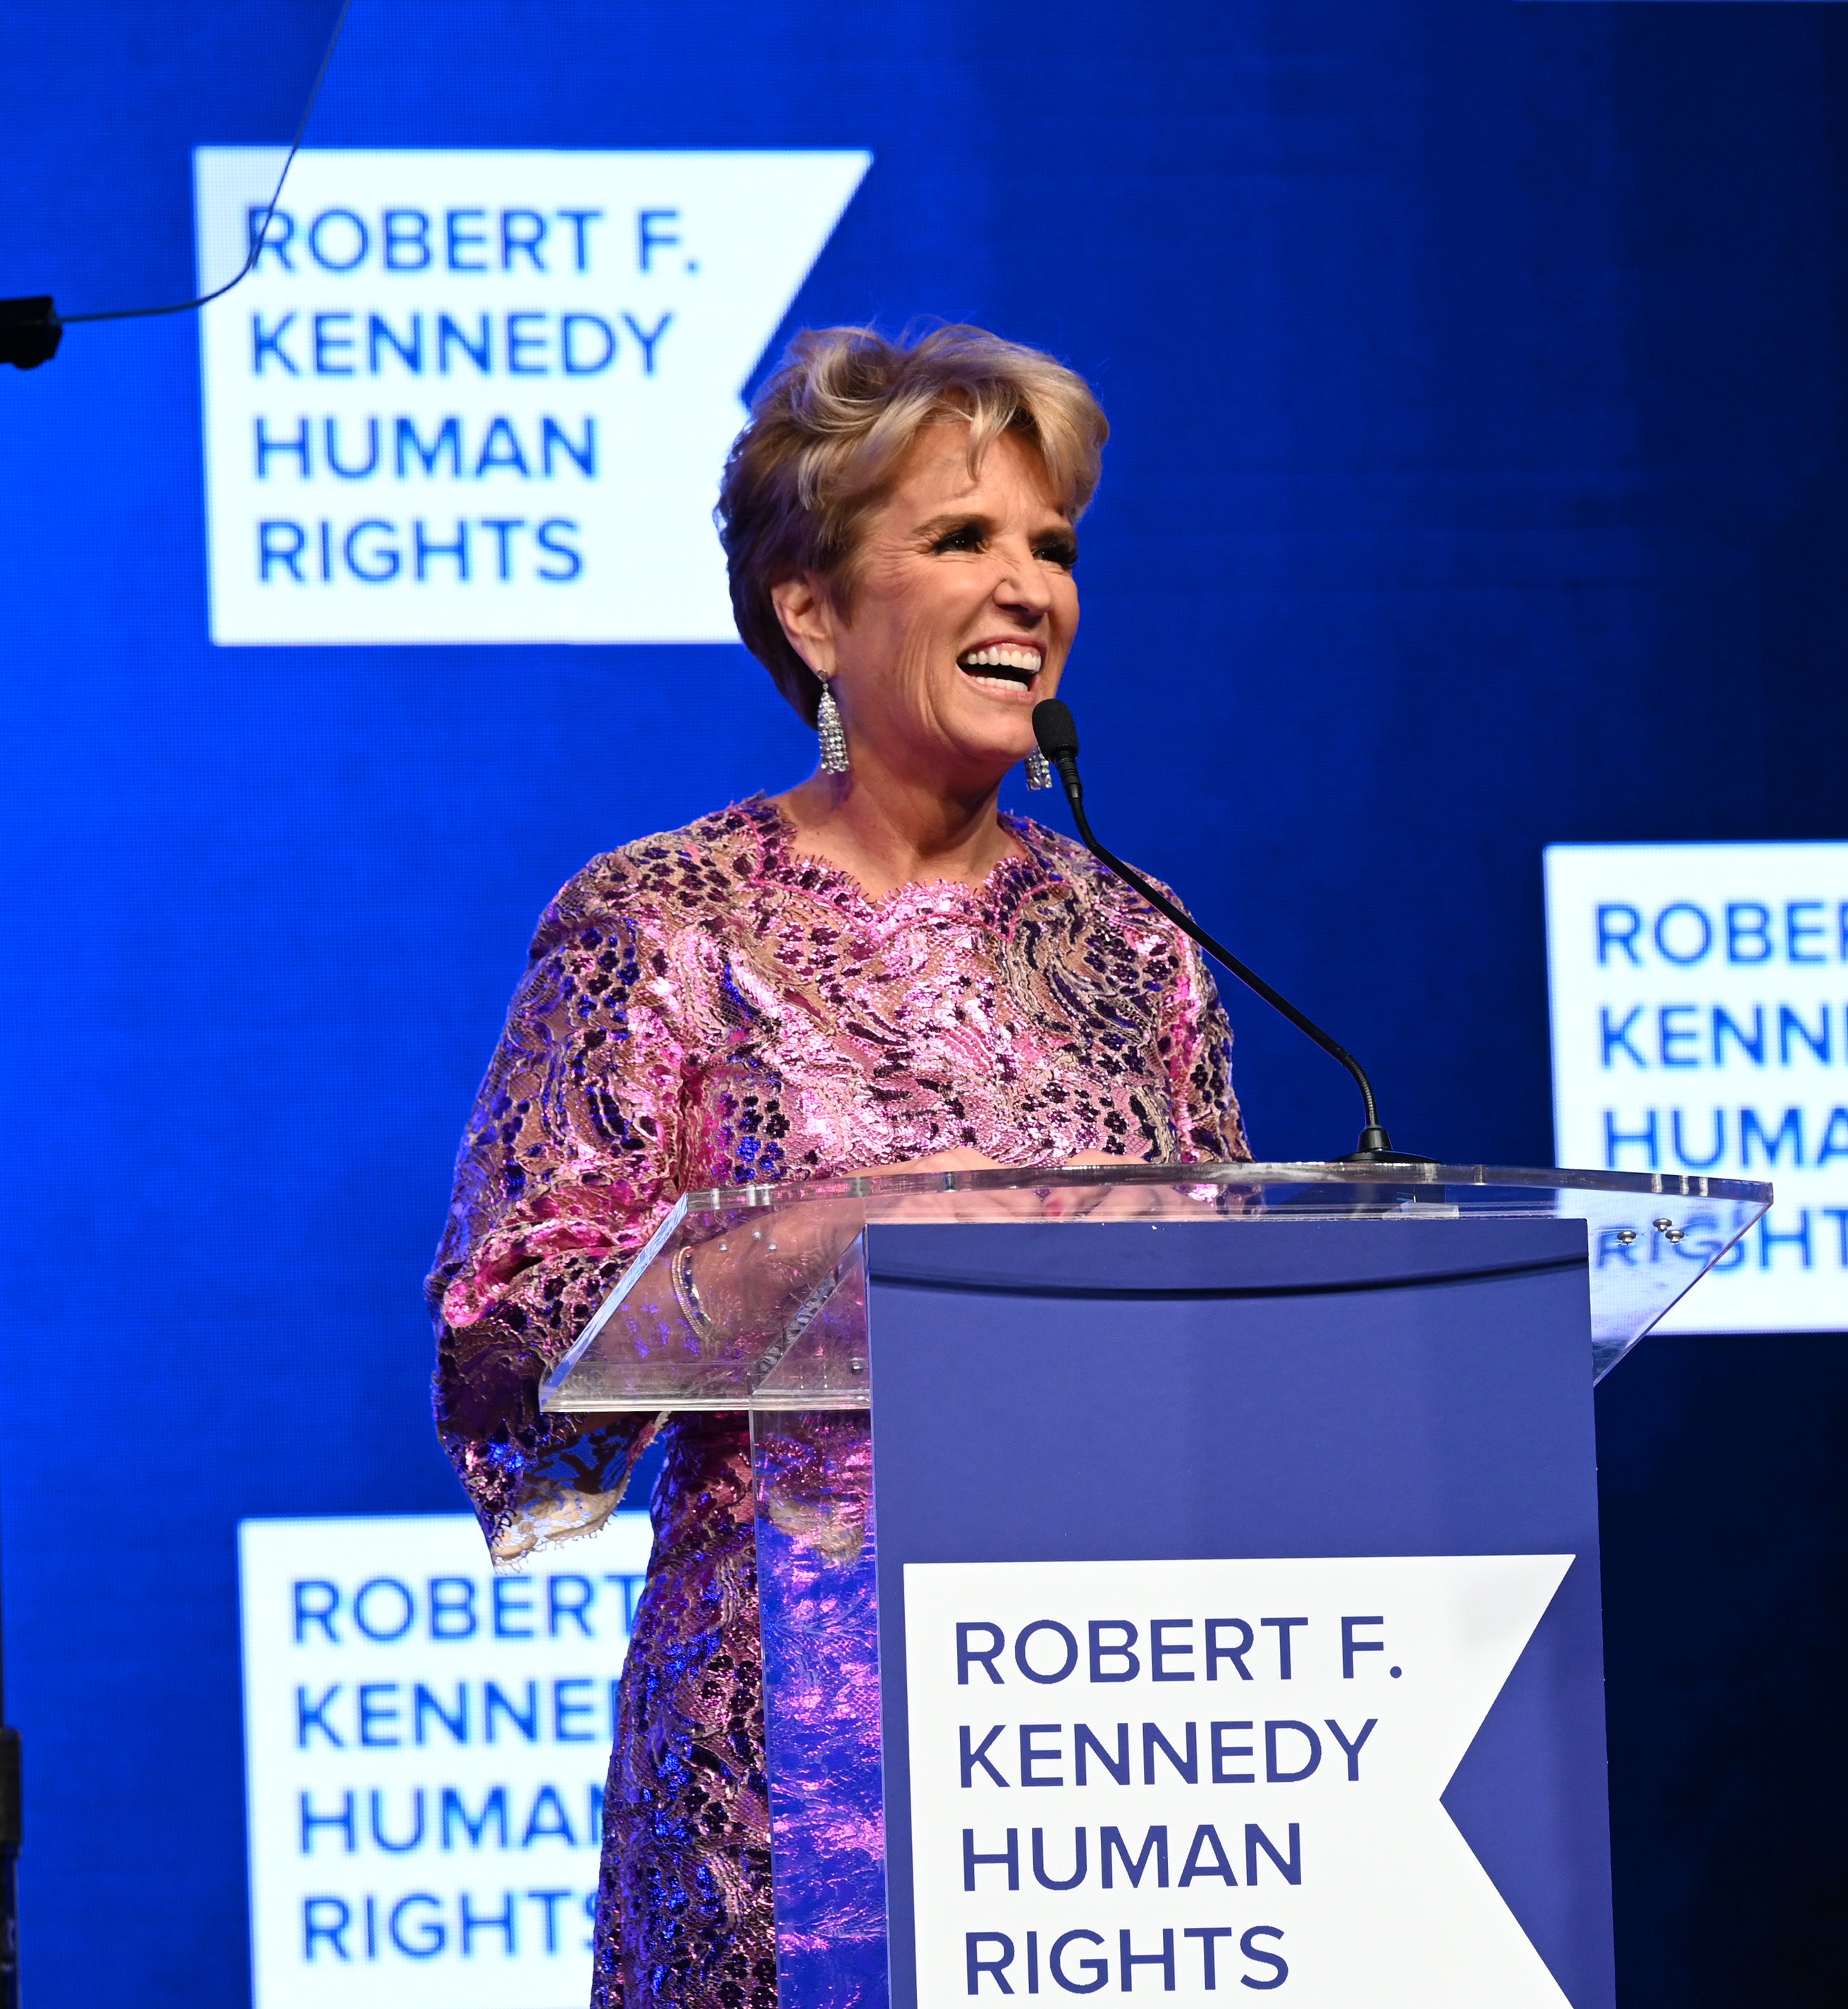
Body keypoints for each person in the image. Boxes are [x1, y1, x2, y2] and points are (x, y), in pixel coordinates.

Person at [426, 324, 1248, 2009]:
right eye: (961, 541)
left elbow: (1244, 1336)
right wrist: (836, 1242)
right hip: (792, 1771)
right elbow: (507, 1336)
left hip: (1125, 1748)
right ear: (812, 611)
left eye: (1053, 548)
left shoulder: (1137, 940)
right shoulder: (661, 919)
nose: (1030, 589)